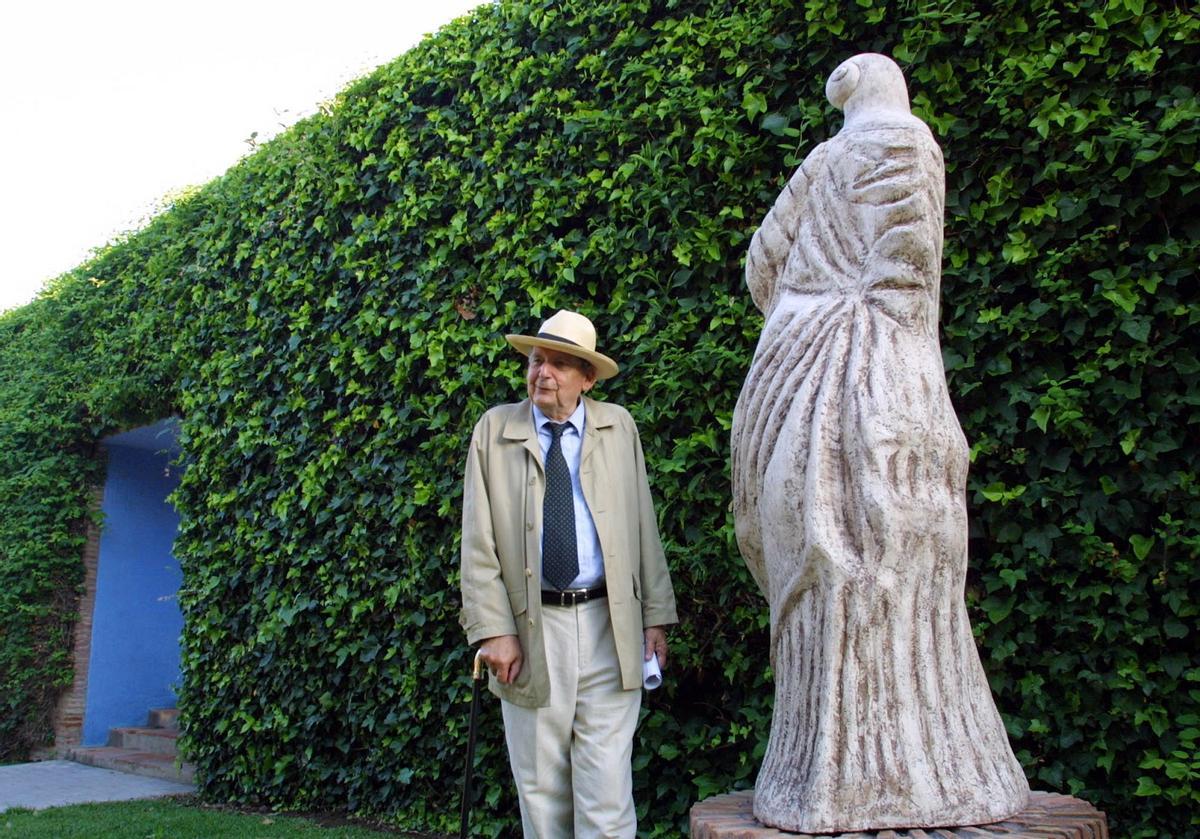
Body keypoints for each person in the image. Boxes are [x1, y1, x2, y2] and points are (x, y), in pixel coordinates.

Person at [459, 309, 677, 838]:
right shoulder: (494, 430)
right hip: (533, 633)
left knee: (607, 798)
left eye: (559, 363)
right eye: (537, 360)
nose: (544, 373)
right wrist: (494, 631)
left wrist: (656, 615)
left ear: (588, 378)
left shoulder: (617, 426)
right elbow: (477, 543)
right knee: (542, 798)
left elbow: (642, 523)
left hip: (610, 625)